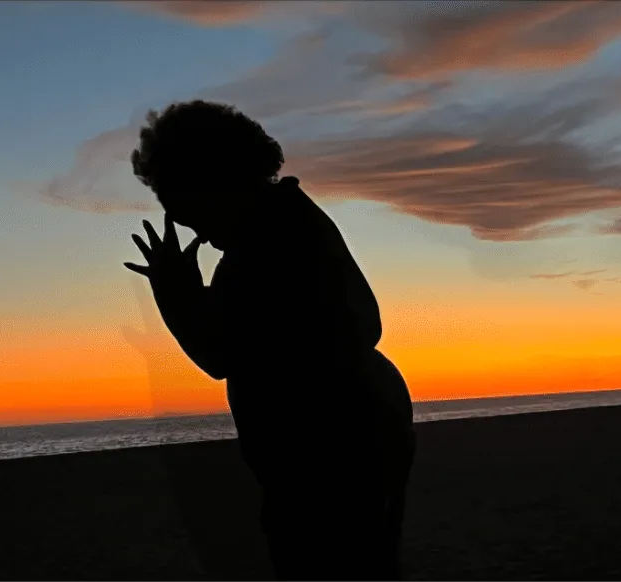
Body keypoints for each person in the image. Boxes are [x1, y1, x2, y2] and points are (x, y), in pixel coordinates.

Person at [124, 100, 416, 581]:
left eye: (184, 207)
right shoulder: (288, 221)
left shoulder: (268, 242)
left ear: (212, 181)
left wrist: (175, 294)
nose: (188, 227)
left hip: (328, 454)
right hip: (360, 433)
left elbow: (219, 355)